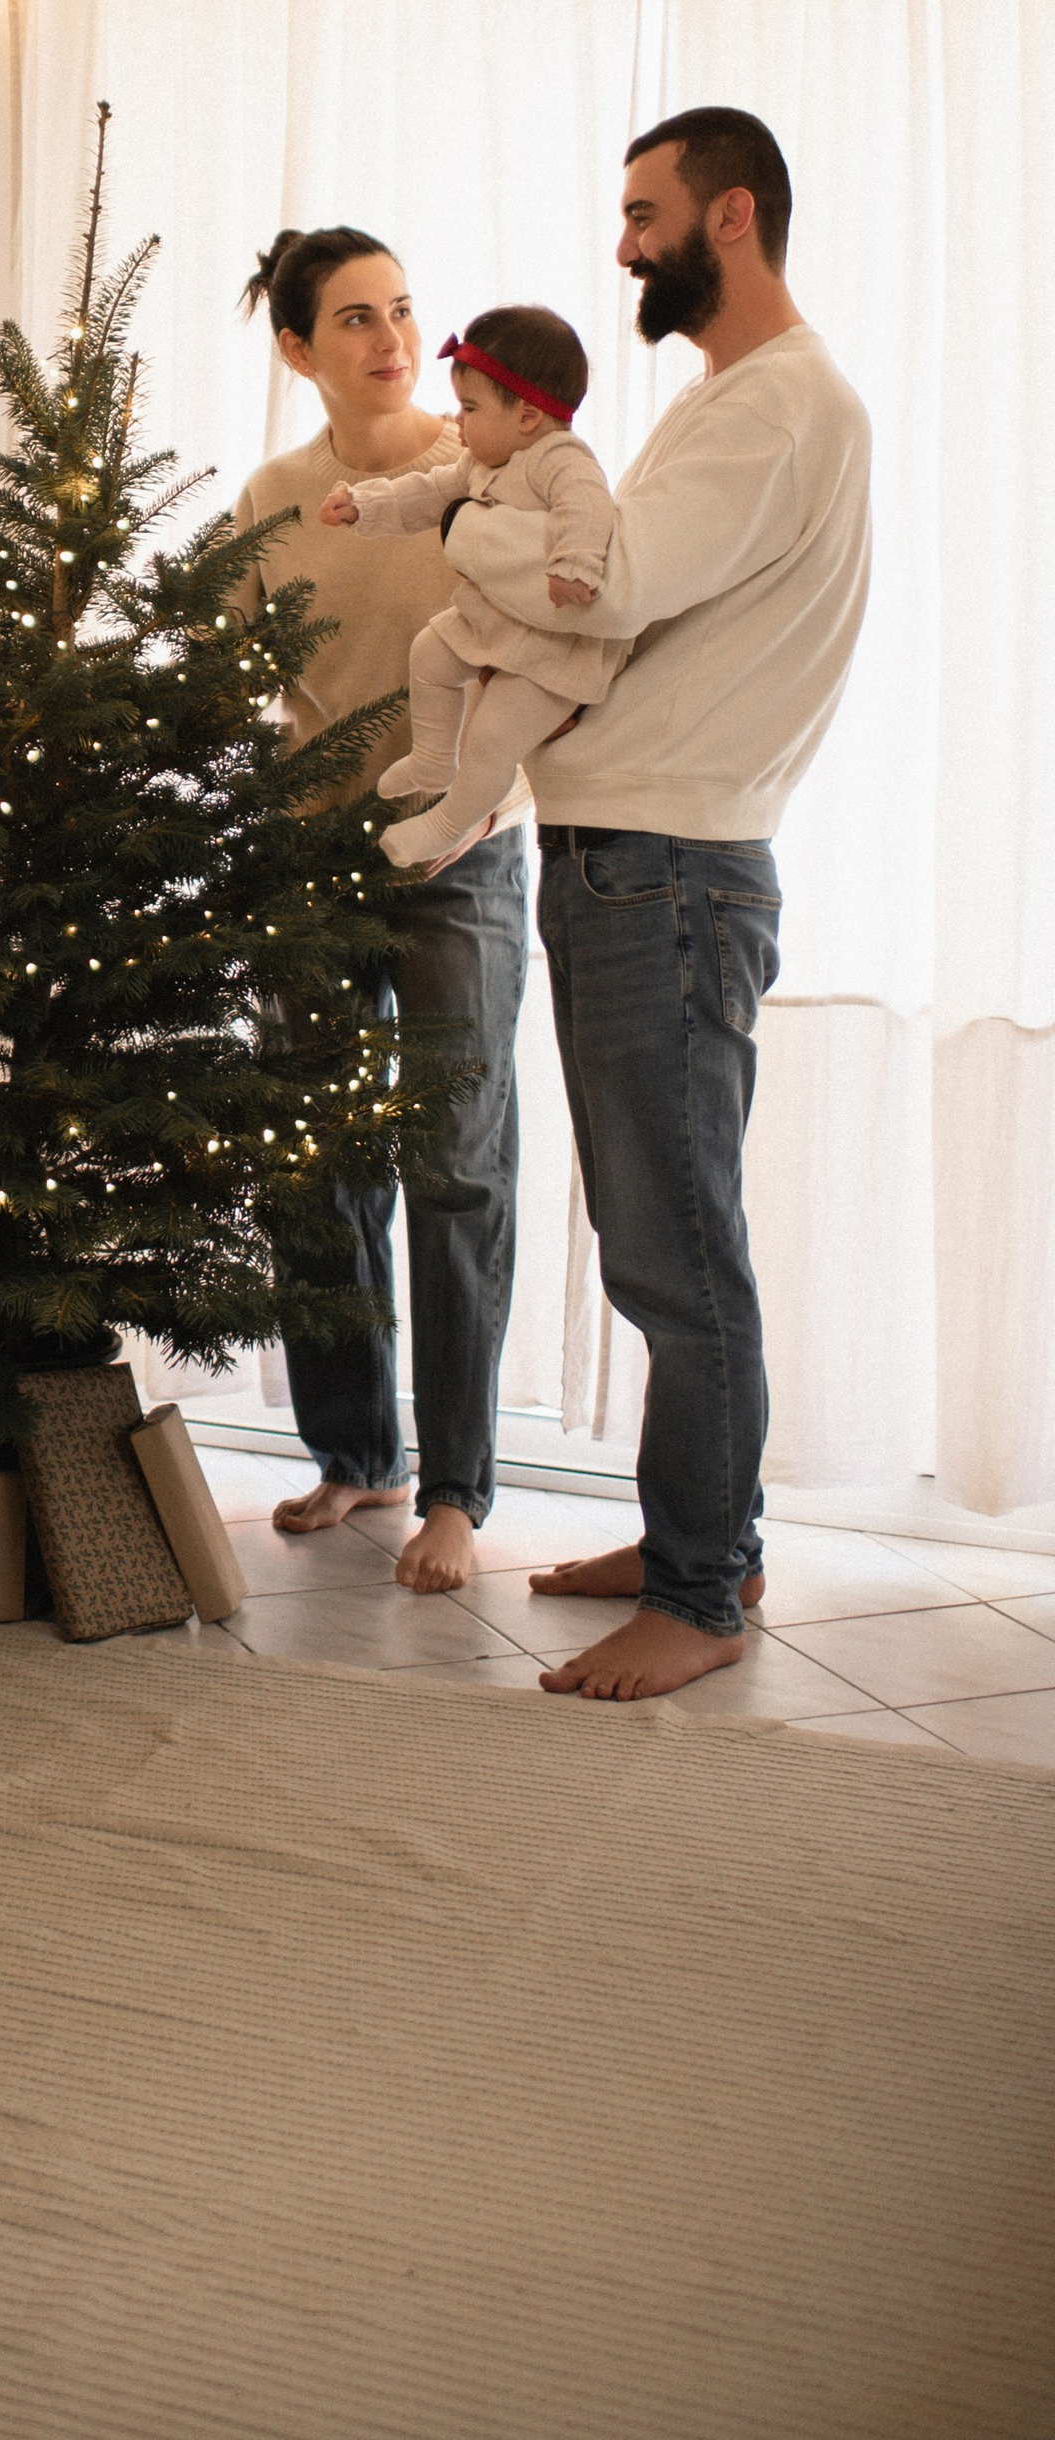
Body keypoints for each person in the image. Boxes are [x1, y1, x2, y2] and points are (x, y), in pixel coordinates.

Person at [440, 108, 872, 1700]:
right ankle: (709, 1535)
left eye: (644, 213)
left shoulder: (774, 409)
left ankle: (699, 1593)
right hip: (642, 856)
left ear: (732, 219)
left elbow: (598, 585)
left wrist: (461, 519)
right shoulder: (731, 401)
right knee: (655, 1231)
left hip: (665, 868)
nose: (620, 246)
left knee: (679, 1250)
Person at [227, 228, 532, 1597]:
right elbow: (239, 679)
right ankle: (357, 1454)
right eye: (355, 317)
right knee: (315, 1156)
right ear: (299, 348)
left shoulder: (483, 473)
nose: (390, 337)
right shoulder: (271, 499)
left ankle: (458, 1491)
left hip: (464, 855)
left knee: (455, 1165)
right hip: (315, 856)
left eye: (403, 310)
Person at [321, 304, 627, 872]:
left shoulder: (561, 460)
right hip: (493, 620)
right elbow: (426, 493)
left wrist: (576, 565)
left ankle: (447, 821)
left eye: (470, 407)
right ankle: (433, 760)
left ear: (529, 416)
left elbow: (588, 509)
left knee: (490, 739)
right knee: (430, 653)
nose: (457, 421)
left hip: (551, 651)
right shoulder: (482, 461)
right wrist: (364, 506)